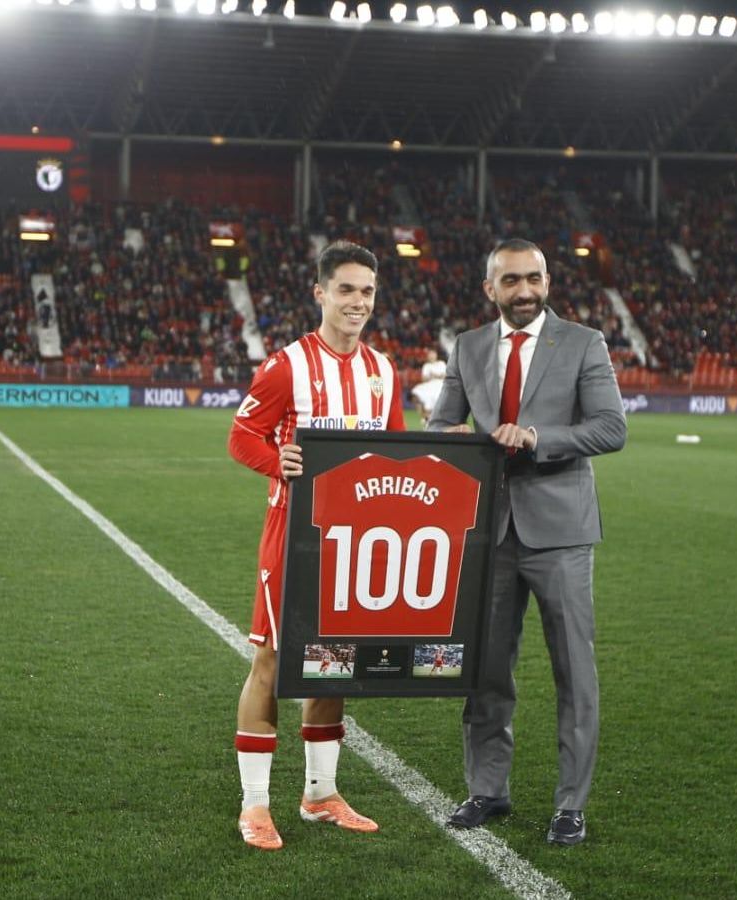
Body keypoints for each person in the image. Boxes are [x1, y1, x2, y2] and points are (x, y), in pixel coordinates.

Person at [426, 238, 627, 847]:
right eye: (511, 281)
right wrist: (454, 435)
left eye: (533, 278)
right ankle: (487, 790)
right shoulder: (469, 346)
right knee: (486, 669)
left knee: (574, 671)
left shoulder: (584, 343)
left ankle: (571, 804)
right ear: (491, 288)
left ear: (547, 280)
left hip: (561, 532)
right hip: (488, 530)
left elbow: (611, 428)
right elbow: (440, 424)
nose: (524, 291)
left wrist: (538, 436)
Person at [227, 241, 405, 852]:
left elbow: (397, 453)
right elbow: (241, 433)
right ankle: (255, 805)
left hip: (355, 542)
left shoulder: (383, 371)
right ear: (321, 293)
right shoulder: (287, 366)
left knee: (336, 662)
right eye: (347, 289)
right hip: (294, 535)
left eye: (368, 291)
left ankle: (320, 794)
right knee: (273, 663)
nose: (358, 302)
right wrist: (278, 460)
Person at [409, 347, 448, 424]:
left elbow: (446, 376)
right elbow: (424, 379)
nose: (431, 356)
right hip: (429, 385)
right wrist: (431, 377)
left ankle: (435, 419)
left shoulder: (442, 363)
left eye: (433, 354)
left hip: (440, 385)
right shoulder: (426, 366)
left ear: (436, 355)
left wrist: (436, 376)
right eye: (430, 354)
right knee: (415, 392)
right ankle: (425, 416)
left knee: (436, 398)